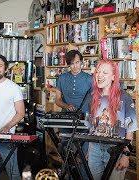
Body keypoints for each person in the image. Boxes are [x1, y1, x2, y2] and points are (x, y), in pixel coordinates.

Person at [87, 60, 138, 180]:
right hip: (94, 148)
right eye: (98, 72)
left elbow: (130, 130)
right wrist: (89, 150)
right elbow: (90, 126)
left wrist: (126, 155)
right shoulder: (93, 97)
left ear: (114, 77)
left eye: (105, 72)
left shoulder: (125, 98)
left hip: (116, 150)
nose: (99, 75)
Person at [54, 49, 93, 179]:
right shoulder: (62, 78)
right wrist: (66, 105)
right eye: (72, 63)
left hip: (85, 120)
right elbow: (57, 100)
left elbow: (95, 100)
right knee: (67, 153)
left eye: (77, 62)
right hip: (66, 120)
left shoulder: (90, 79)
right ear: (68, 64)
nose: (75, 66)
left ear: (82, 62)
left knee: (84, 154)